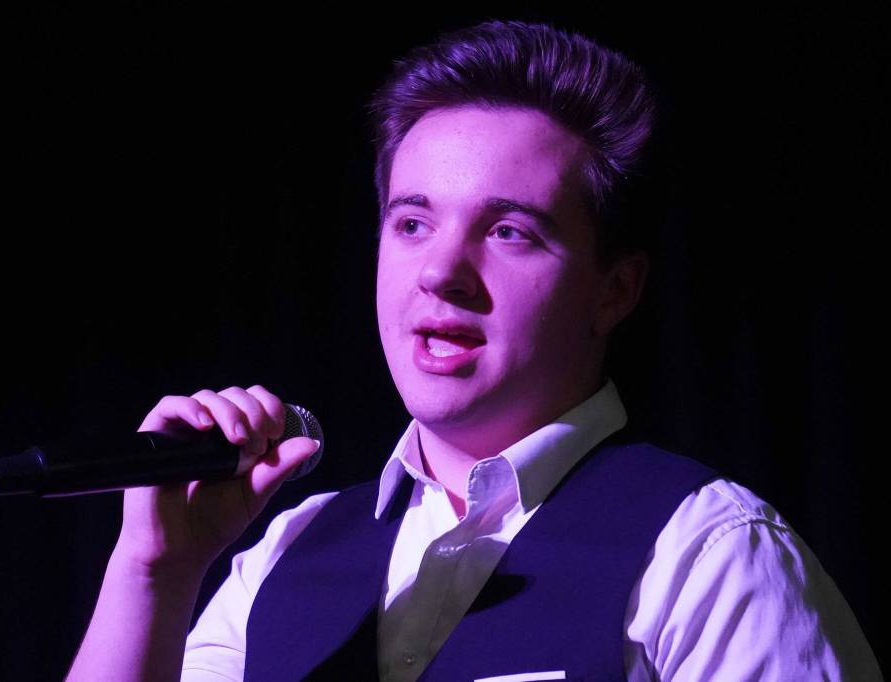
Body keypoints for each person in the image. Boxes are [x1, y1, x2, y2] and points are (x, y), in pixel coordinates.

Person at [65, 20, 882, 682]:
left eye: (509, 231)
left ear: (615, 290)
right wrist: (155, 574)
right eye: (413, 222)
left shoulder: (707, 553)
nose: (441, 272)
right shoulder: (287, 551)